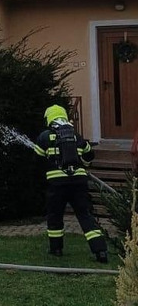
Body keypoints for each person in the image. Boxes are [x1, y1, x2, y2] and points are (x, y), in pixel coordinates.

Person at [34, 105, 109, 263]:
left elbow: (37, 161)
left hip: (56, 185)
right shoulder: (76, 136)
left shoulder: (45, 136)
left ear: (48, 118)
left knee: (55, 215)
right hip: (78, 182)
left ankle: (56, 249)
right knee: (85, 215)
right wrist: (83, 164)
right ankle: (100, 251)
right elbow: (89, 155)